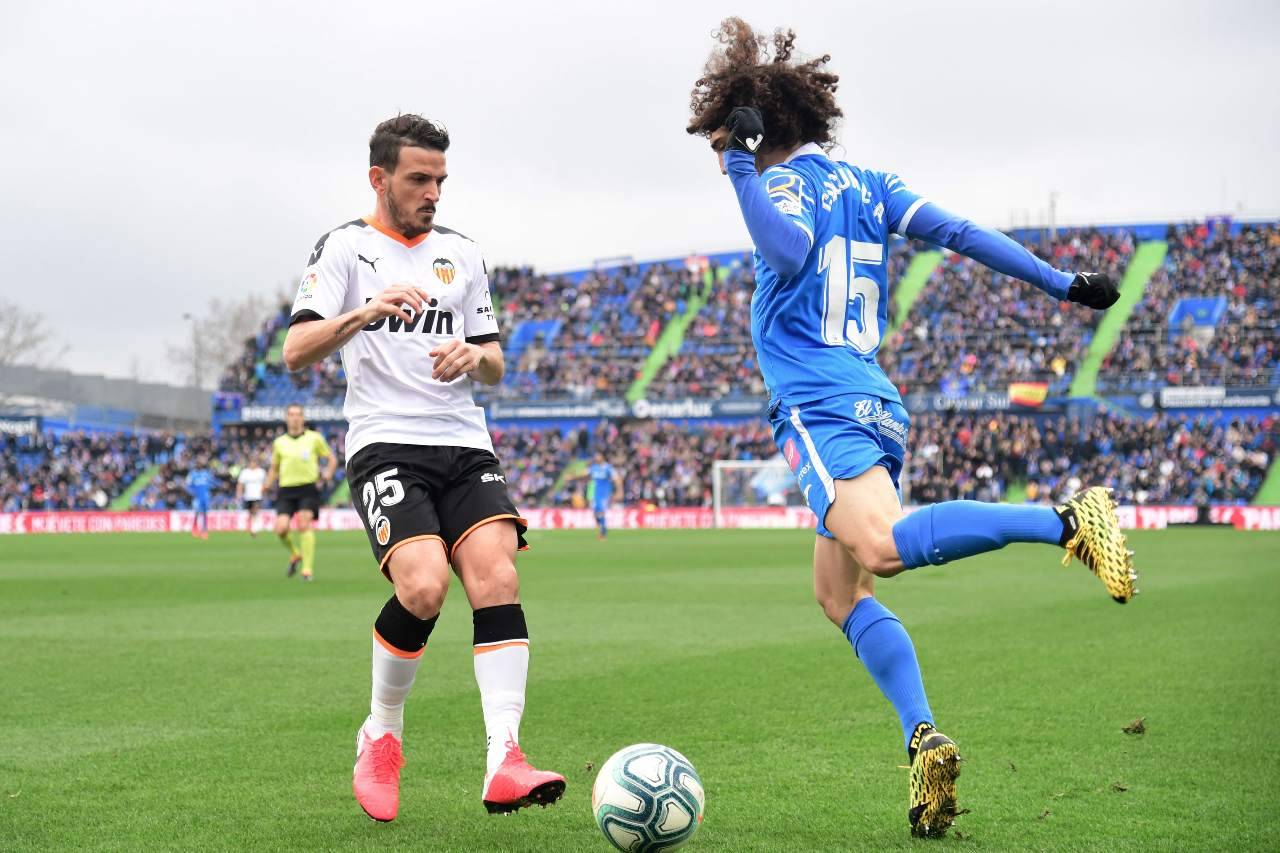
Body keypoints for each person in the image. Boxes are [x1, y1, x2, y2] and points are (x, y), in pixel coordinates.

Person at [686, 19, 1138, 838]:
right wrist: (1060, 282)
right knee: (837, 593)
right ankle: (922, 737)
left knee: (884, 549)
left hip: (820, 401)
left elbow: (786, 253)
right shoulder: (872, 183)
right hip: (875, 398)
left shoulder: (779, 184)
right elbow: (961, 234)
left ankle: (1066, 519)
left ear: (753, 129)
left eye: (720, 140)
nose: (718, 156)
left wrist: (744, 172)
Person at [281, 114, 565, 823]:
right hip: (385, 442)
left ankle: (506, 756)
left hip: (465, 442)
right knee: (425, 587)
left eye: (440, 179)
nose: (432, 191)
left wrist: (478, 356)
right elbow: (295, 350)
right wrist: (364, 312)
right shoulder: (345, 248)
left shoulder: (463, 255)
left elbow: (496, 360)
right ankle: (381, 733)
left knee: (498, 574)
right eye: (418, 179)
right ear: (379, 179)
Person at [264, 404, 336, 581]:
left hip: (307, 488)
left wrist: (328, 473)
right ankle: (296, 553)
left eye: (298, 414)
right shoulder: (279, 442)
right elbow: (275, 467)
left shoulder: (314, 438)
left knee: (304, 524)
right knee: (280, 529)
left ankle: (307, 570)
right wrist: (267, 483)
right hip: (286, 489)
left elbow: (331, 458)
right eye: (291, 414)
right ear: (286, 418)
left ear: (303, 418)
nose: (295, 418)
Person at [585, 452, 622, 538]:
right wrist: (572, 477)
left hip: (605, 493)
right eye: (595, 456)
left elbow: (617, 479)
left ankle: (603, 532)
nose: (596, 457)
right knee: (595, 512)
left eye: (598, 456)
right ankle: (602, 524)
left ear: (602, 457)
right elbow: (585, 474)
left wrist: (619, 491)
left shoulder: (608, 468)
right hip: (594, 493)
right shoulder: (593, 467)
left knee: (601, 511)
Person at [236, 455, 268, 537]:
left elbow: (265, 484)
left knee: (255, 510)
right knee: (251, 512)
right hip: (248, 496)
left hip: (258, 496)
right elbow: (240, 484)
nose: (252, 464)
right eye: (251, 462)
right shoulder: (245, 472)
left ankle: (254, 529)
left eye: (254, 462)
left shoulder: (261, 472)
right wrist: (238, 494)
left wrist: (264, 493)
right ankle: (253, 526)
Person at [185, 456, 214, 540]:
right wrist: (192, 492)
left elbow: (212, 482)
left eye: (201, 464)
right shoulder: (193, 474)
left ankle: (204, 530)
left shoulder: (206, 473)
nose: (200, 465)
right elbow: (187, 485)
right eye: (198, 464)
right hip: (197, 497)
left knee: (205, 513)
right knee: (197, 512)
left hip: (205, 497)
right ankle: (195, 528)